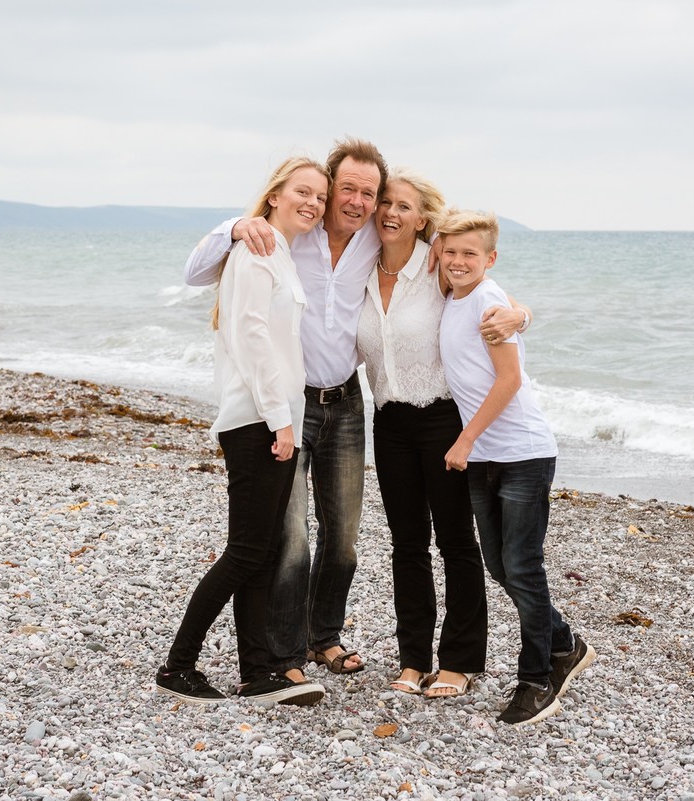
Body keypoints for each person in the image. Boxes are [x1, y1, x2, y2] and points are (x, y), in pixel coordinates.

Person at [183, 138, 529, 683]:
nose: (364, 203)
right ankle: (288, 655)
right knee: (293, 538)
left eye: (372, 194)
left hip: (349, 403)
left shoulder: (398, 246)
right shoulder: (285, 236)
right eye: (350, 189)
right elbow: (197, 273)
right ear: (326, 188)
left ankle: (327, 637)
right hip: (295, 405)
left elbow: (476, 277)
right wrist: (232, 227)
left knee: (343, 541)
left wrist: (521, 314)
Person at [155, 157, 330, 706]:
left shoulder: (281, 254)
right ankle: (179, 666)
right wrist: (280, 418)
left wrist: (286, 420)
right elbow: (252, 337)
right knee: (246, 551)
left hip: (276, 419)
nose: (313, 203)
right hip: (259, 420)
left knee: (258, 550)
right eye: (304, 191)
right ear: (275, 194)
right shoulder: (254, 253)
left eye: (320, 198)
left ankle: (257, 672)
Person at [437, 209, 596, 726]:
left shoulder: (488, 302)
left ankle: (537, 677)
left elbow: (509, 380)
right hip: (486, 457)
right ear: (440, 251)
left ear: (491, 259)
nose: (459, 261)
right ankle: (566, 641)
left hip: (523, 453)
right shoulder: (452, 293)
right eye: (451, 251)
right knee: (501, 566)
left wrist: (463, 440)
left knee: (523, 567)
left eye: (471, 254)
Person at [356, 169, 487, 698]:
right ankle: (413, 660)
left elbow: (489, 296)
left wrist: (520, 316)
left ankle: (458, 662)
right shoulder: (358, 267)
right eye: (384, 202)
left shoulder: (437, 267)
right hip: (388, 422)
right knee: (407, 544)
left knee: (457, 542)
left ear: (423, 218)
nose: (390, 211)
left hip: (442, 420)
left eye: (403, 206)